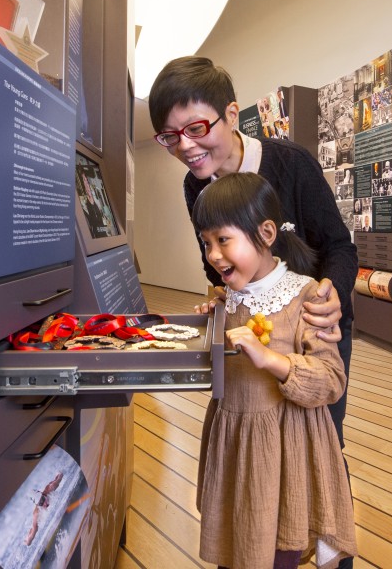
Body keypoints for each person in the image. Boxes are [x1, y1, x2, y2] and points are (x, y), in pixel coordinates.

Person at [148, 57, 357, 462]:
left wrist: (332, 292)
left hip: (313, 328)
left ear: (230, 114)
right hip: (255, 333)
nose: (185, 146)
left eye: (195, 129)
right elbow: (215, 267)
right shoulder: (195, 186)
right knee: (262, 445)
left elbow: (339, 247)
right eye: (170, 137)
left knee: (320, 443)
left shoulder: (291, 164)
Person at [190, 173, 357, 568]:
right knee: (235, 539)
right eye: (206, 243)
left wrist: (272, 362)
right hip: (234, 440)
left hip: (286, 447)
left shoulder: (306, 296)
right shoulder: (226, 297)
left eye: (223, 240)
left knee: (278, 545)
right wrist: (208, 324)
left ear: (266, 232)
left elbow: (331, 378)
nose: (213, 255)